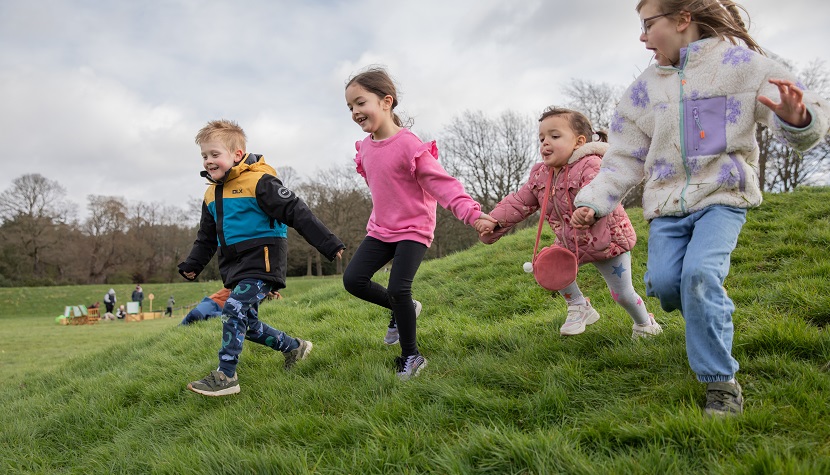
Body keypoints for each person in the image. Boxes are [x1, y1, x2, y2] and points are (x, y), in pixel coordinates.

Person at [571, 0, 830, 416]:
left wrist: (798, 119)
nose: (641, 37)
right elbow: (621, 158)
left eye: (648, 24)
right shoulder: (642, 91)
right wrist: (594, 202)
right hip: (667, 206)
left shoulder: (741, 66)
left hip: (722, 197)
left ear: (682, 20)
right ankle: (707, 304)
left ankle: (720, 384)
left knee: (699, 277)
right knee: (670, 286)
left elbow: (808, 111)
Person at [342, 67, 495, 380]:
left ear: (386, 101)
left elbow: (443, 184)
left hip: (413, 228)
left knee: (399, 288)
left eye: (360, 102)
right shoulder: (365, 149)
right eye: (350, 107)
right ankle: (405, 309)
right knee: (353, 279)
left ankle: (412, 356)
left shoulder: (409, 145)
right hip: (382, 229)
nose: (356, 111)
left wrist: (473, 214)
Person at [179, 119, 345, 396]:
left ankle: (226, 375)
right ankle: (295, 348)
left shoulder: (260, 182)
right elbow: (206, 237)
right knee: (248, 324)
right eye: (204, 155)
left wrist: (328, 243)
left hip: (262, 261)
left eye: (214, 154)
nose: (208, 161)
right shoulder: (211, 194)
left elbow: (296, 211)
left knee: (233, 309)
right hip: (234, 267)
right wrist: (192, 265)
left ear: (237, 155)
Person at [476, 107, 662, 338]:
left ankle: (645, 324)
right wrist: (494, 220)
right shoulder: (541, 175)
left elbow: (602, 189)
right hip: (569, 241)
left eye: (555, 136)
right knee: (551, 265)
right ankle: (579, 305)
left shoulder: (592, 165)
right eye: (542, 138)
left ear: (578, 141)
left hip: (607, 242)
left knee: (622, 294)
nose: (545, 143)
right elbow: (520, 201)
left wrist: (590, 209)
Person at [181, 288, 282, 325]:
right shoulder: (249, 280)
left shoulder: (267, 296)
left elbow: (281, 302)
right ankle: (179, 328)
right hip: (214, 302)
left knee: (217, 317)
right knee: (195, 314)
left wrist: (268, 294)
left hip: (230, 311)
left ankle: (206, 318)